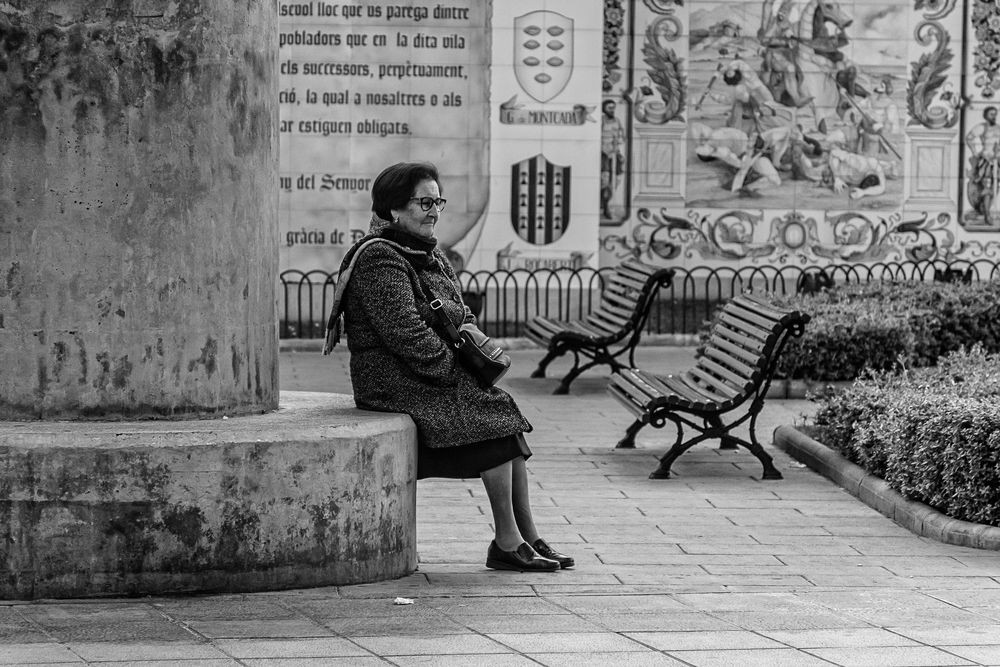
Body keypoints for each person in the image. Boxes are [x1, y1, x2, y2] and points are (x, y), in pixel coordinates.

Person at [325, 162, 574, 572]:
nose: (433, 210)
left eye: (436, 200)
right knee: (492, 416)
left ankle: (526, 536)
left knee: (501, 413)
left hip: (426, 375)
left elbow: (461, 313)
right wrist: (454, 371)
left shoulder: (429, 251)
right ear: (392, 210)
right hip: (393, 380)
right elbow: (406, 334)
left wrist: (470, 358)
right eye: (423, 202)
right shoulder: (378, 259)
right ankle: (507, 542)